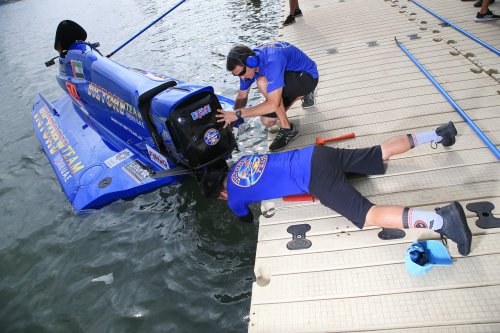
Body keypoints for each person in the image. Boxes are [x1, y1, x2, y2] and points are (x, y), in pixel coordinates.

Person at [201, 121, 472, 256]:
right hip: (316, 154)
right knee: (379, 152)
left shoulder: (234, 197)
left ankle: (442, 219)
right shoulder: (244, 161)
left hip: (315, 177)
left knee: (368, 215)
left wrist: (236, 204)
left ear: (221, 194)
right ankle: (440, 133)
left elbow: (245, 217)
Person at [217, 41, 319, 152]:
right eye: (237, 75)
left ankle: (288, 129)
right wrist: (231, 128)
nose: (242, 78)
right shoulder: (248, 67)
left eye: (242, 73)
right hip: (287, 78)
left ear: (251, 62)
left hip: (307, 77)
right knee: (267, 120)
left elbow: (273, 105)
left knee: (261, 82)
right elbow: (242, 96)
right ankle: (300, 95)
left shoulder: (272, 60)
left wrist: (238, 114)